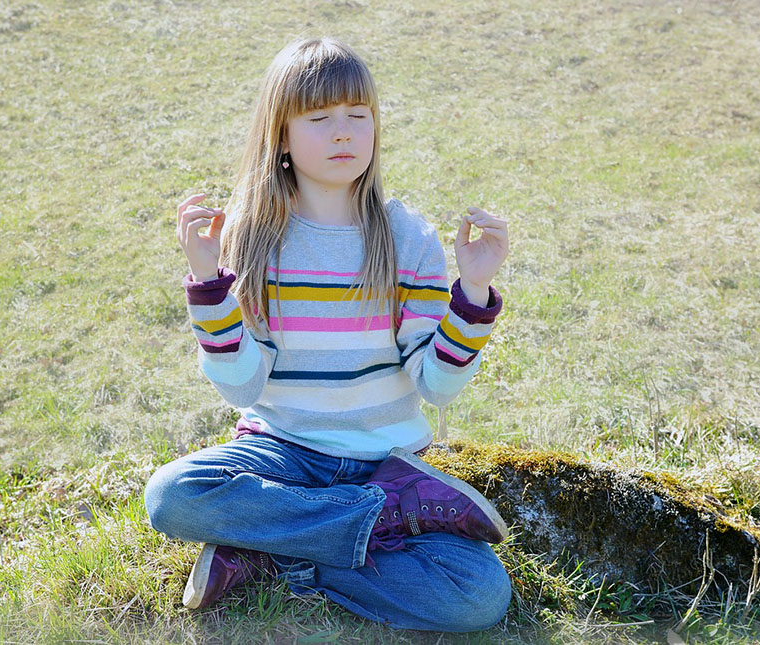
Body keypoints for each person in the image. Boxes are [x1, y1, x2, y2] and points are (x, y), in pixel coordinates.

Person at [143, 36, 512, 632]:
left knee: (477, 595)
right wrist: (210, 282)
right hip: (282, 455)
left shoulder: (406, 239)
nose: (343, 133)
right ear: (280, 136)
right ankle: (370, 522)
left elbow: (437, 387)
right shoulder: (254, 237)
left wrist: (470, 293)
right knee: (171, 495)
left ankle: (274, 549)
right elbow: (241, 388)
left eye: (357, 116)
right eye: (319, 119)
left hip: (386, 464)